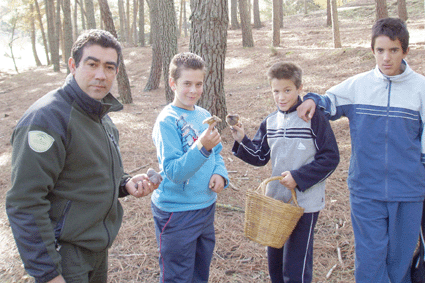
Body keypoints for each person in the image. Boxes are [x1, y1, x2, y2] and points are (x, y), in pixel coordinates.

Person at [5, 29, 158, 283]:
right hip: (64, 255)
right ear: (73, 65)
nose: (101, 75)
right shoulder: (47, 120)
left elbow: (86, 171)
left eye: (109, 67)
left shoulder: (99, 113)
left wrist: (124, 183)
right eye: (92, 64)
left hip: (97, 250)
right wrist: (48, 273)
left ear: (116, 72)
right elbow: (25, 202)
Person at [297, 17, 425, 283]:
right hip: (366, 190)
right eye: (380, 50)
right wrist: (311, 99)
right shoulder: (357, 86)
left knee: (398, 260)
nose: (386, 58)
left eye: (393, 50)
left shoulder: (421, 89)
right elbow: (326, 101)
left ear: (406, 51)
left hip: (409, 190)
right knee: (370, 259)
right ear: (372, 50)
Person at [230, 61, 339, 283]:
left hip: (304, 205)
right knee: (276, 263)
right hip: (277, 204)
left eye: (287, 90)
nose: (281, 97)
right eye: (276, 91)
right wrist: (242, 139)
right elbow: (260, 156)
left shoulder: (313, 118)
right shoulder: (270, 122)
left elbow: (330, 157)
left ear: (300, 89)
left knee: (296, 267)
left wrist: (299, 177)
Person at [150, 52, 229, 283]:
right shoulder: (168, 120)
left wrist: (219, 173)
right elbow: (174, 172)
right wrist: (201, 147)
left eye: (198, 84)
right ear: (173, 83)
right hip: (177, 214)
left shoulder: (204, 116)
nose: (193, 90)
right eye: (187, 84)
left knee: (199, 272)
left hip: (205, 207)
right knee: (178, 276)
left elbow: (216, 153)